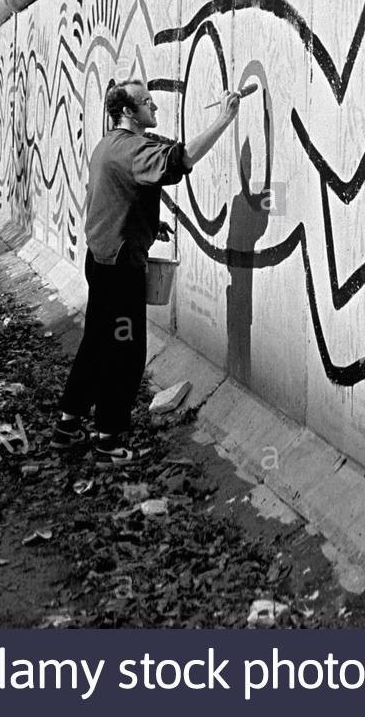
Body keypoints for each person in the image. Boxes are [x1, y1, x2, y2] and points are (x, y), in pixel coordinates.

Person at [50, 79, 241, 465]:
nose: (154, 107)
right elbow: (181, 160)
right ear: (127, 111)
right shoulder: (134, 150)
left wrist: (147, 226)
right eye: (146, 102)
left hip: (100, 259)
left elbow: (114, 197)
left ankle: (67, 424)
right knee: (125, 350)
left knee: (96, 343)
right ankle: (108, 440)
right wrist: (225, 117)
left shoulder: (107, 145)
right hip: (121, 269)